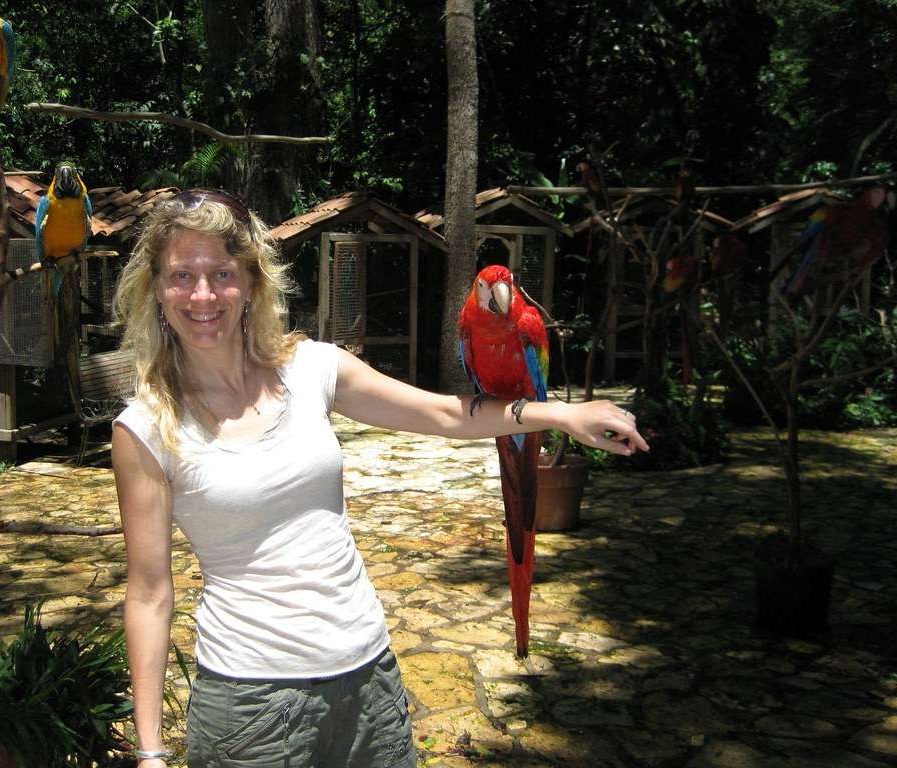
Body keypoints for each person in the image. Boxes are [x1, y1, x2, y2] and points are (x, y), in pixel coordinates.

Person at [110, 189, 649, 768]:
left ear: (253, 280)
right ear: (154, 289)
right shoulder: (146, 426)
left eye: (222, 272)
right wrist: (150, 752)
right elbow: (148, 592)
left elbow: (443, 413)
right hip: (252, 703)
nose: (203, 294)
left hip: (369, 678)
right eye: (181, 275)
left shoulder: (311, 367)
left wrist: (561, 414)